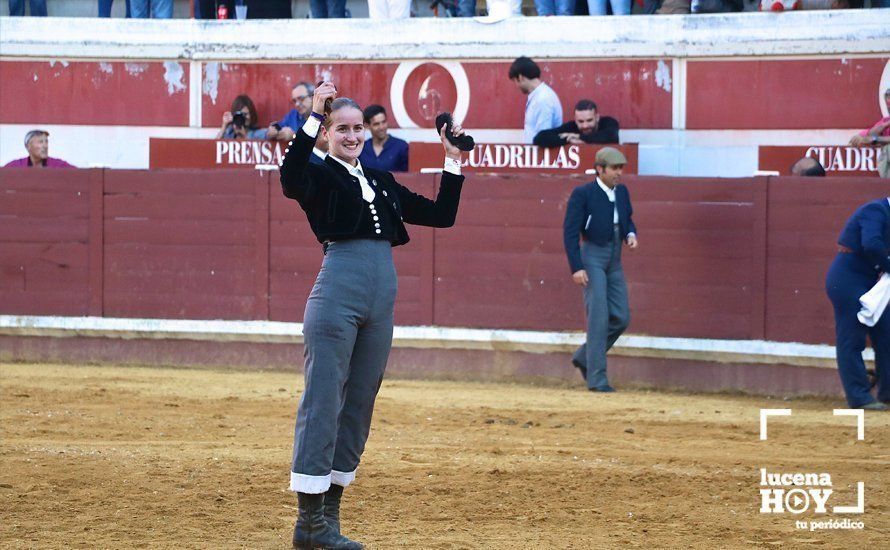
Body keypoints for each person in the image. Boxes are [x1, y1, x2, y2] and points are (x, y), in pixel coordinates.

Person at [279, 82, 467, 549]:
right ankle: (309, 523)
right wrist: (314, 116)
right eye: (342, 128)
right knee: (323, 401)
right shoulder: (317, 172)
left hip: (380, 299)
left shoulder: (381, 180)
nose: (352, 135)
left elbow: (442, 215)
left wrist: (452, 156)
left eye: (358, 128)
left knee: (360, 403)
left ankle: (328, 520)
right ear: (326, 133)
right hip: (337, 293)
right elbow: (289, 178)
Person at [563, 147, 637, 392]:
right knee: (598, 318)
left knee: (621, 317)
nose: (619, 173)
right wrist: (577, 266)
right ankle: (597, 379)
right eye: (614, 168)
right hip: (593, 255)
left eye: (620, 169)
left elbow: (627, 217)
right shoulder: (583, 193)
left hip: (615, 257)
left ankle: (585, 356)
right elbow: (571, 232)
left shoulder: (622, 192)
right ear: (600, 169)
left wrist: (630, 233)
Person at [826, 198, 890, 411]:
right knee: (851, 337)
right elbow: (871, 244)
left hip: (875, 280)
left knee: (887, 334)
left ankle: (887, 392)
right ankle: (859, 397)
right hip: (848, 278)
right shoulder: (875, 210)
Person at [508, 56, 563, 144]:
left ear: (520, 77)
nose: (516, 86)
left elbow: (543, 138)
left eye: (515, 81)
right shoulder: (540, 96)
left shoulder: (543, 99)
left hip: (540, 156)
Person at [533, 99, 620, 147]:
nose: (585, 125)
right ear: (575, 119)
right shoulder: (571, 127)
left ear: (597, 117)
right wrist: (568, 140)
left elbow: (610, 136)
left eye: (589, 120)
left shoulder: (609, 122)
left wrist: (579, 137)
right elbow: (540, 138)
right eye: (581, 121)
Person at [850, 88, 890, 178]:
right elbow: (868, 135)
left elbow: (872, 138)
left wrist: (874, 139)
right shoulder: (886, 121)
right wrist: (886, 124)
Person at [358, 105, 409, 173]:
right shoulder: (361, 148)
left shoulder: (401, 146)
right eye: (376, 124)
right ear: (367, 126)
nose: (381, 127)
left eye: (384, 122)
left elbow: (407, 176)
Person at [4, 130, 74, 168]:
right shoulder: (16, 166)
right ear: (28, 146)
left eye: (46, 142)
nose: (45, 146)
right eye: (40, 142)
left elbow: (79, 175)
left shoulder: (58, 165)